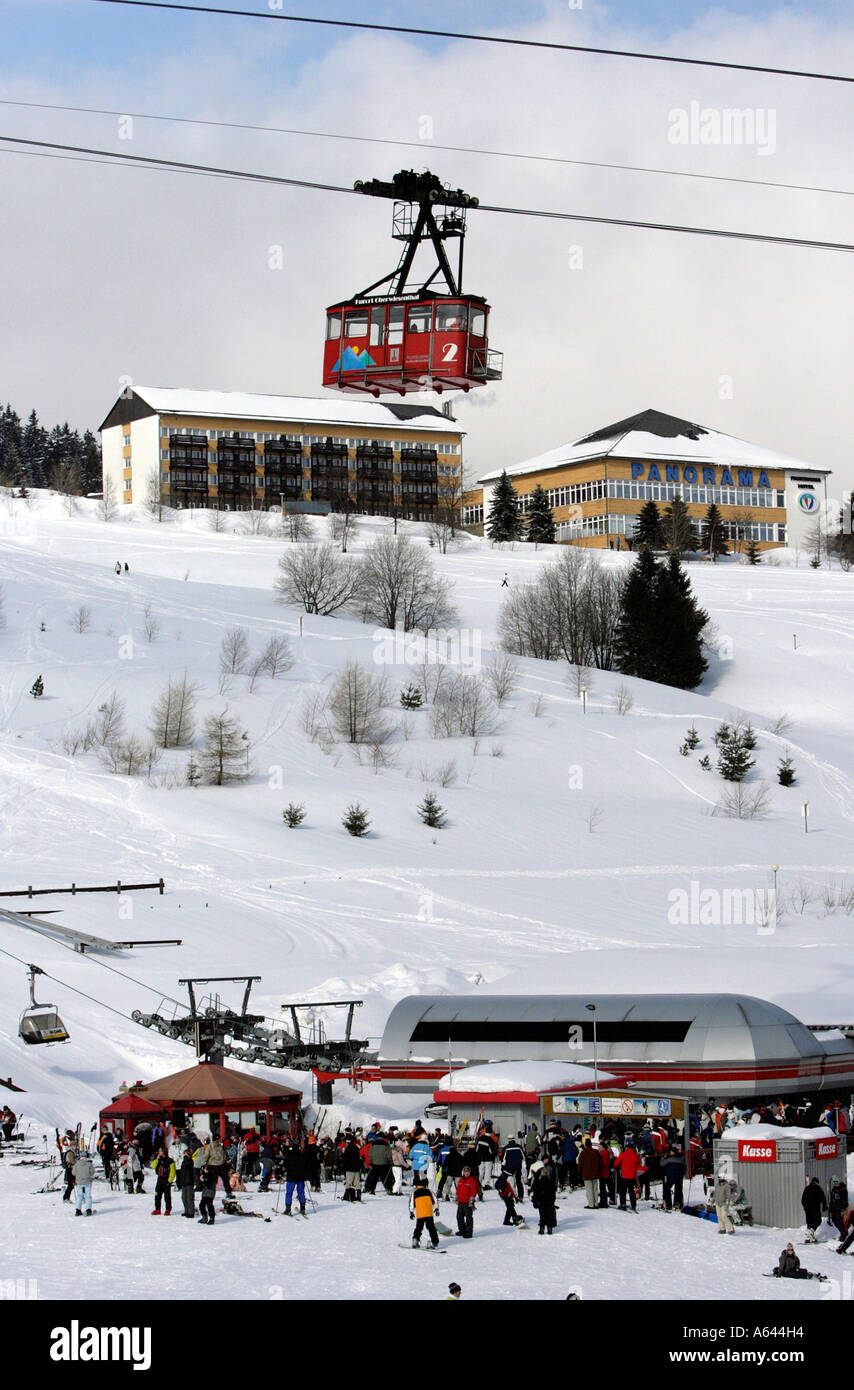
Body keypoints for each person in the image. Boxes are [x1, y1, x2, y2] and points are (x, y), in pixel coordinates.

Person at [613, 1138, 643, 1211]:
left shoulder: (623, 1154)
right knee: (632, 1191)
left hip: (624, 1176)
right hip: (632, 1176)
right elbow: (639, 1164)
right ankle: (633, 1205)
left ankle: (623, 1204)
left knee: (623, 1191)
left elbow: (616, 1163)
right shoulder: (636, 1156)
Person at [410, 1176, 440, 1248]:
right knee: (431, 1228)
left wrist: (411, 1212)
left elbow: (412, 1204)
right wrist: (436, 1209)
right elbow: (435, 1201)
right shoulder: (429, 1191)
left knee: (419, 1228)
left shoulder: (415, 1193)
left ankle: (415, 1240)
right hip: (428, 1213)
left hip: (420, 1214)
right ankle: (435, 1242)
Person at [531, 1154, 558, 1235]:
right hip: (549, 1196)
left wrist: (535, 1200)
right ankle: (549, 1226)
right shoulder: (550, 1180)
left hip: (542, 1199)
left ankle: (543, 1227)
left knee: (543, 1213)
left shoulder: (539, 1181)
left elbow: (536, 1190)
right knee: (549, 1211)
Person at [283, 1138, 307, 1215]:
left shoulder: (289, 1155)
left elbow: (285, 1165)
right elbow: (305, 1166)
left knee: (289, 1193)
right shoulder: (302, 1156)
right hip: (301, 1177)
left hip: (291, 1177)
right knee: (301, 1192)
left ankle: (288, 1209)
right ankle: (303, 1208)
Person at [578, 1138, 602, 1210]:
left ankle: (591, 1204)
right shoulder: (596, 1152)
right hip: (595, 1173)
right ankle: (596, 1203)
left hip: (586, 1174)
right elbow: (600, 1162)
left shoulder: (583, 1153)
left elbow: (580, 1164)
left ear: (585, 1145)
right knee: (595, 1189)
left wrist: (579, 1172)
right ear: (591, 1145)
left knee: (589, 1189)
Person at [455, 1165, 478, 1239]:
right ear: (463, 1172)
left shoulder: (472, 1180)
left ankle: (469, 1232)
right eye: (465, 1172)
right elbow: (458, 1190)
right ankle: (462, 1230)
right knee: (459, 1217)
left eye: (468, 1172)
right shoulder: (461, 1180)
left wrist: (471, 1201)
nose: (466, 1173)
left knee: (468, 1218)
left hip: (468, 1202)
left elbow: (473, 1192)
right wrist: (456, 1198)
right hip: (461, 1202)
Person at [802, 1176, 827, 1242]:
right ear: (817, 1182)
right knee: (818, 1220)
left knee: (810, 1222)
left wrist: (805, 1207)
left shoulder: (807, 1188)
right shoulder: (818, 1188)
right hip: (815, 1209)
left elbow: (802, 1199)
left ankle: (811, 1238)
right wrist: (824, 1207)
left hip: (807, 1210)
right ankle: (811, 1231)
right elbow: (823, 1198)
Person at [151, 1145, 175, 1215]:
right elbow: (153, 1166)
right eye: (159, 1151)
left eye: (160, 1151)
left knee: (167, 1196)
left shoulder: (170, 1161)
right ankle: (157, 1209)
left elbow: (173, 1171)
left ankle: (168, 1209)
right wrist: (156, 1159)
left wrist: (169, 1181)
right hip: (160, 1179)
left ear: (164, 1151)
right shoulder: (159, 1160)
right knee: (157, 1195)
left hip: (166, 1179)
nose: (159, 1152)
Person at [72, 1151, 95, 1216]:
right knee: (88, 1196)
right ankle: (88, 1209)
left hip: (79, 1182)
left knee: (79, 1196)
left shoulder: (76, 1164)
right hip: (87, 1181)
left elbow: (73, 1173)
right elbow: (92, 1172)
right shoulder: (89, 1164)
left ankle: (78, 1210)